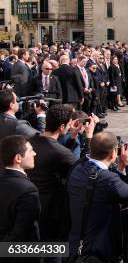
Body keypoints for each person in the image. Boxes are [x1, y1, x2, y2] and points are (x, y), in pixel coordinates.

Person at [67, 132, 128, 263]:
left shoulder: (78, 168)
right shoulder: (108, 179)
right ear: (113, 153)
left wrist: (120, 170)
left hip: (76, 244)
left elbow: (112, 190)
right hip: (98, 249)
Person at [27, 105, 82, 248]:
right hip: (50, 211)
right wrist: (87, 138)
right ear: (62, 126)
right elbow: (82, 172)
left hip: (30, 204)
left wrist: (73, 137)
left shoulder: (30, 141)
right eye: (70, 124)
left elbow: (57, 155)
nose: (71, 127)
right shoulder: (61, 153)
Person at [0, 135, 40, 243]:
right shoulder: (28, 190)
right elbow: (21, 233)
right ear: (18, 158)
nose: (34, 154)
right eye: (31, 151)